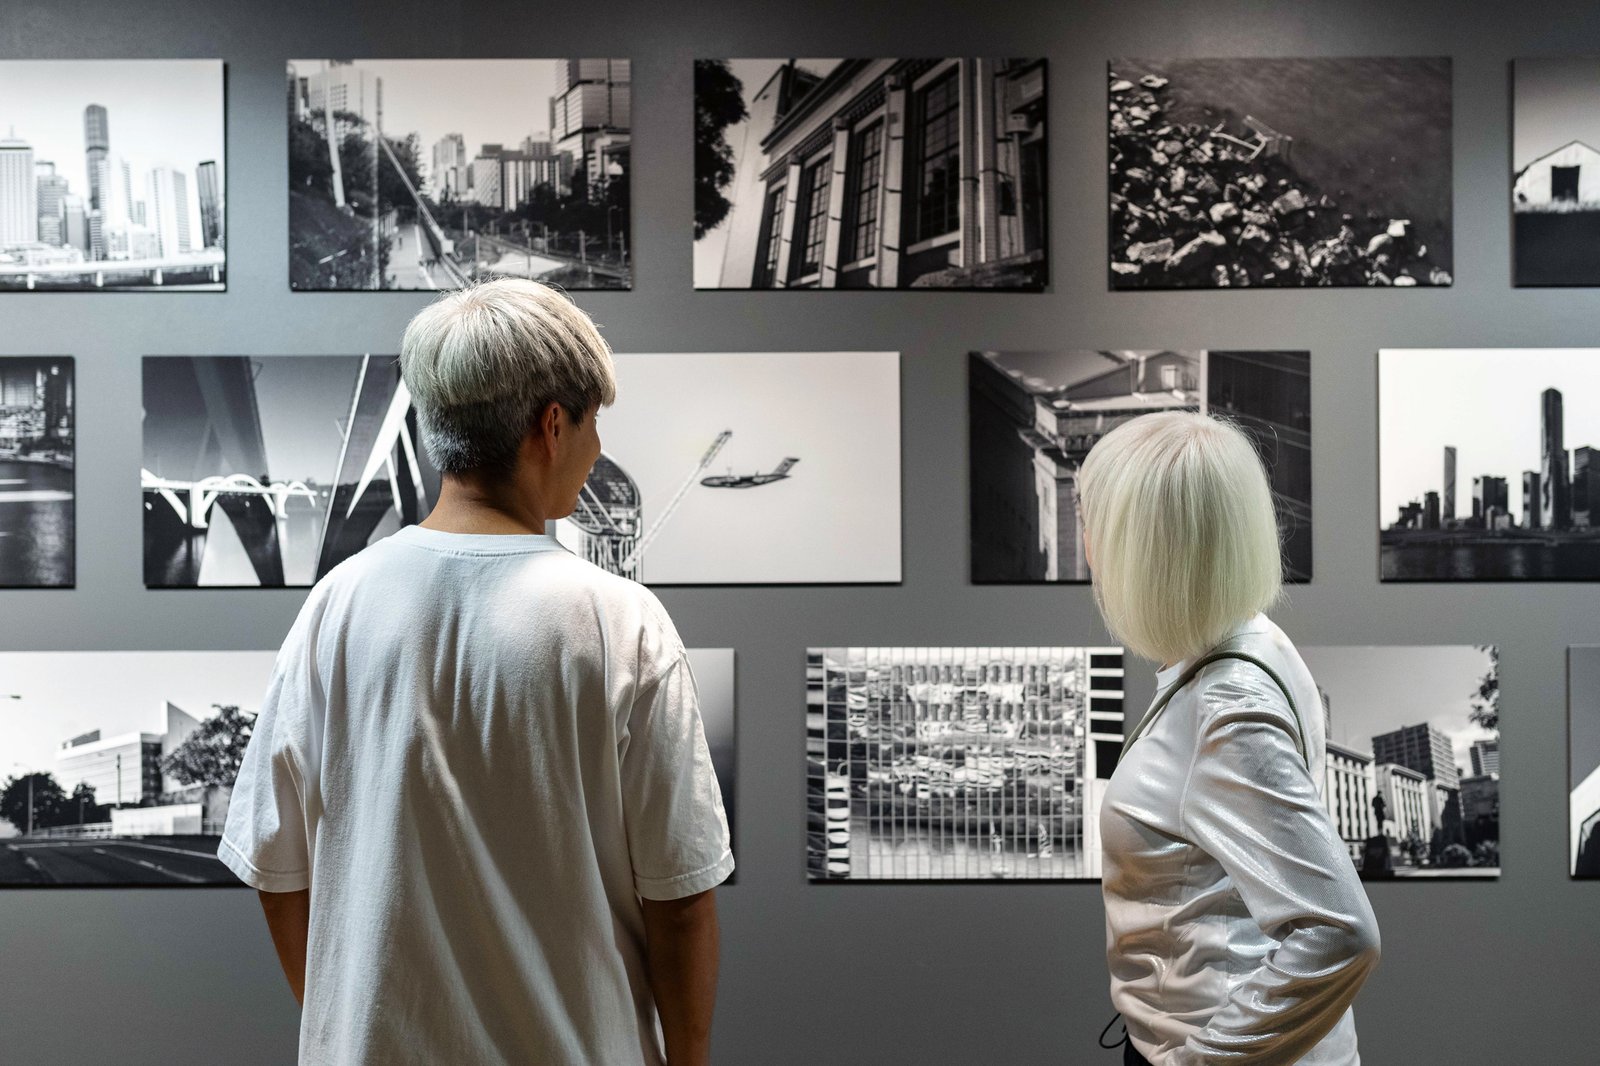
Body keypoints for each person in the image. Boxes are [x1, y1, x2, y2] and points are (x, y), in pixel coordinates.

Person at [218, 278, 734, 1065]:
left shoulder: (336, 604)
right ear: (552, 425)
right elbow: (682, 900)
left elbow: (276, 868)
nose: (597, 452)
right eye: (596, 425)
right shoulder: (621, 623)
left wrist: (343, 1021)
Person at [1081, 411, 1380, 1066]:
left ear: (1145, 547)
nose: (1087, 550)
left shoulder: (1227, 704)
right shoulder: (1246, 643)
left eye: (1094, 524)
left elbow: (1339, 933)